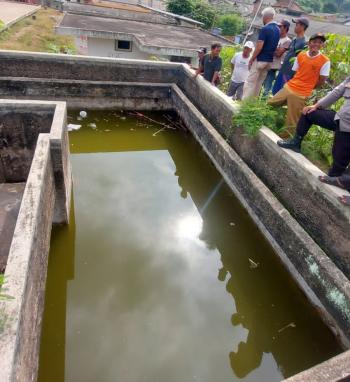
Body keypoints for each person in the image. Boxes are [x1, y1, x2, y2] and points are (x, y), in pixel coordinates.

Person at [278, 77, 350, 184]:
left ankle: (339, 182)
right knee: (309, 113)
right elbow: (337, 92)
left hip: (348, 128)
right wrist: (317, 105)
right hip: (340, 118)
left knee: (337, 166)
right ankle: (295, 142)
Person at [268, 33, 330, 129]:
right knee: (270, 103)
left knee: (292, 119)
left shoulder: (325, 61)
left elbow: (322, 81)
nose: (316, 44)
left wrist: (308, 86)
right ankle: (264, 121)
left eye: (320, 42)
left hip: (301, 93)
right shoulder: (301, 55)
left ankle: (286, 139)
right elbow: (295, 72)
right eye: (314, 42)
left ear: (322, 45)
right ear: (309, 43)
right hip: (289, 87)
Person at [242, 7, 280, 99]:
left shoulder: (265, 29)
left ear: (265, 16)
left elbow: (259, 47)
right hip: (269, 62)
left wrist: (251, 59)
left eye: (262, 16)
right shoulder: (278, 30)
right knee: (259, 84)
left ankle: (243, 104)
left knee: (250, 82)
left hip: (260, 60)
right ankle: (252, 104)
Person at [272, 17, 309, 95]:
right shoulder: (295, 39)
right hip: (283, 69)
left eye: (297, 25)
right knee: (275, 91)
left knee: (281, 93)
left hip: (290, 73)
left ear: (302, 27)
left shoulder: (304, 42)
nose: (295, 27)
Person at [262, 20, 291, 96]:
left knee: (266, 88)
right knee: (259, 84)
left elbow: (278, 54)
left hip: (273, 66)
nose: (278, 28)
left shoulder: (287, 41)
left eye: (280, 26)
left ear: (285, 28)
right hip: (265, 63)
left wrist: (269, 48)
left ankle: (262, 103)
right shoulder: (275, 37)